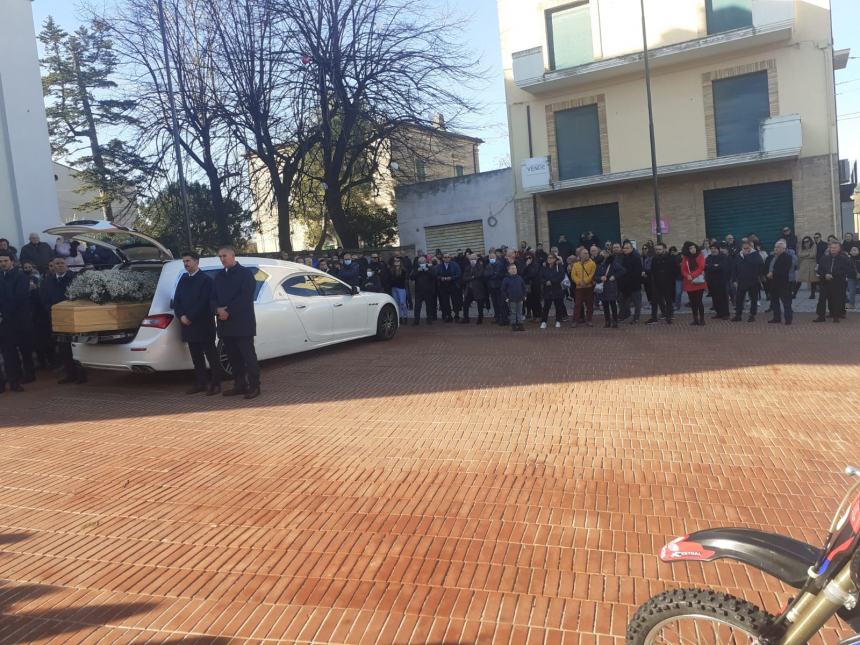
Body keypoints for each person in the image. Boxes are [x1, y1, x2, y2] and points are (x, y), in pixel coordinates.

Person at [213, 246, 260, 400]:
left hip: (242, 323)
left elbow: (246, 297)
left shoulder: (245, 274)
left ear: (233, 256)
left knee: (248, 357)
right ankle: (239, 385)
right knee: (233, 358)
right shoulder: (219, 276)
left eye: (224, 255)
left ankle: (254, 386)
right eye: (220, 256)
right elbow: (212, 297)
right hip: (225, 324)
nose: (222, 259)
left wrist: (228, 311)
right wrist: (217, 309)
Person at [173, 251, 222, 395]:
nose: (186, 264)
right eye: (184, 261)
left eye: (188, 261)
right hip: (187, 324)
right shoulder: (183, 279)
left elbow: (204, 302)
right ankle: (201, 382)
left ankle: (216, 383)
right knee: (196, 356)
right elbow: (177, 300)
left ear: (196, 262)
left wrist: (190, 316)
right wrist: (181, 315)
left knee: (211, 355)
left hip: (203, 324)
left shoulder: (206, 280)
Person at [39, 257, 83, 384]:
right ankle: (70, 374)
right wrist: (52, 310)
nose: (59, 266)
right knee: (63, 347)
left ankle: (81, 374)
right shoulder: (48, 281)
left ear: (67, 265)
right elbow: (44, 298)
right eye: (56, 264)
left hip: (74, 317)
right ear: (52, 266)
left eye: (61, 263)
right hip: (56, 318)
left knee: (76, 346)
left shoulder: (75, 279)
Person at [0, 251, 31, 391]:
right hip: (4, 320)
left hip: (16, 320)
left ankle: (15, 381)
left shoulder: (21, 276)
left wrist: (3, 314)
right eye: (0, 262)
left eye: (5, 261)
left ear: (12, 261)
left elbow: (18, 298)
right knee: (8, 352)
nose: (3, 264)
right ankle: (8, 381)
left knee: (18, 350)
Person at [815, 241, 851, 323]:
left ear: (839, 249)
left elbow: (846, 270)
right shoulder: (824, 258)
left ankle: (836, 316)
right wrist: (825, 275)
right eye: (831, 247)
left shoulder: (844, 258)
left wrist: (833, 275)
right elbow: (819, 269)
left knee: (836, 300)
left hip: (838, 282)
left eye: (835, 248)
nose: (833, 249)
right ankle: (821, 316)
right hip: (825, 281)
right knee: (822, 299)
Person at [732, 240, 764, 322]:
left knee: (753, 299)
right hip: (742, 281)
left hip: (753, 281)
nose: (745, 250)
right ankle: (738, 315)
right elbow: (735, 268)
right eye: (744, 248)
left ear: (751, 247)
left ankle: (752, 315)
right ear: (741, 248)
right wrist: (734, 280)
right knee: (739, 299)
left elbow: (760, 265)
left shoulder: (755, 255)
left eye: (747, 248)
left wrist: (747, 256)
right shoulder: (738, 256)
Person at [763, 240, 794, 325]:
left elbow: (784, 269)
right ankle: (776, 318)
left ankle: (788, 319)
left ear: (783, 248)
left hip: (783, 283)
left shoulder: (787, 257)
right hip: (772, 283)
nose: (775, 249)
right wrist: (766, 274)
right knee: (774, 301)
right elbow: (766, 267)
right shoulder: (771, 257)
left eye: (778, 247)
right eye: (775, 247)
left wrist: (773, 273)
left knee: (786, 302)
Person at [646, 243, 676, 325]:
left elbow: (675, 270)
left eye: (659, 249)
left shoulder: (671, 258)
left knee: (668, 301)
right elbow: (652, 270)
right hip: (656, 283)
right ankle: (654, 317)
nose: (658, 251)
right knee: (654, 301)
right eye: (656, 249)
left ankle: (669, 317)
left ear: (664, 249)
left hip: (667, 283)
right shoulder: (654, 258)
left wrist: (671, 280)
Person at [680, 242, 707, 326]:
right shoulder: (685, 257)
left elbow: (701, 267)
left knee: (699, 301)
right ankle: (695, 319)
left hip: (698, 281)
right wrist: (687, 275)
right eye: (691, 248)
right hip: (689, 282)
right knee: (693, 302)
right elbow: (683, 269)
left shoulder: (700, 255)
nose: (693, 249)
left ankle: (702, 319)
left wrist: (692, 275)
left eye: (694, 247)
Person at [596, 250, 624, 328]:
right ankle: (607, 321)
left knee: (613, 304)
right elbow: (595, 276)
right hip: (603, 287)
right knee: (605, 305)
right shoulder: (598, 264)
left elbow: (622, 271)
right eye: (601, 254)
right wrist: (600, 278)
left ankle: (615, 321)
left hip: (611, 286)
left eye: (603, 254)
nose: (602, 255)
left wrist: (614, 276)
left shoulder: (613, 263)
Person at [618, 241, 643, 324]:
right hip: (624, 285)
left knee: (637, 302)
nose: (625, 249)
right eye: (624, 248)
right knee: (622, 300)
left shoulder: (636, 257)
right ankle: (625, 314)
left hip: (634, 284)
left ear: (631, 248)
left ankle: (636, 318)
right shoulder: (622, 257)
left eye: (627, 248)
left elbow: (637, 272)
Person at [539, 253, 566, 329]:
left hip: (557, 288)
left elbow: (561, 276)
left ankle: (558, 321)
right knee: (546, 307)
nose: (549, 259)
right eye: (548, 258)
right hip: (547, 290)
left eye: (551, 258)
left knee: (558, 306)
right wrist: (545, 282)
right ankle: (544, 321)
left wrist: (552, 281)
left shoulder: (558, 266)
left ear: (555, 259)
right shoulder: (544, 267)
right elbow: (540, 276)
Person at [705, 242, 731, 319]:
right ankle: (719, 313)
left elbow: (722, 267)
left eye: (715, 249)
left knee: (723, 298)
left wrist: (712, 267)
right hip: (711, 281)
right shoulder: (708, 257)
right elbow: (705, 267)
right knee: (715, 298)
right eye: (711, 249)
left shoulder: (723, 257)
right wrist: (714, 266)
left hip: (721, 281)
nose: (713, 250)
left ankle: (726, 314)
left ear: (718, 249)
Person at [571, 248, 596, 327]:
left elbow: (592, 274)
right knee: (578, 304)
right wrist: (578, 282)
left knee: (589, 304)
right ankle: (575, 321)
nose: (587, 254)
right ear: (580, 255)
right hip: (579, 288)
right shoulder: (575, 265)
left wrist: (585, 281)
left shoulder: (592, 264)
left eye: (587, 253)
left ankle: (589, 320)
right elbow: (573, 275)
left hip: (589, 287)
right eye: (584, 253)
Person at [460, 253, 486, 324]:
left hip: (478, 289)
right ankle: (466, 318)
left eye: (474, 259)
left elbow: (480, 274)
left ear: (477, 259)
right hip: (469, 289)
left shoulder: (480, 266)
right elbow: (464, 278)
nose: (472, 260)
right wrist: (472, 277)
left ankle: (480, 319)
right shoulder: (467, 267)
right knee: (465, 304)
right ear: (469, 259)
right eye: (471, 259)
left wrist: (472, 275)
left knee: (480, 305)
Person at [435, 253, 462, 322]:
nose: (446, 258)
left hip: (453, 285)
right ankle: (449, 315)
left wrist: (451, 278)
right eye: (445, 257)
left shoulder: (455, 265)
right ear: (443, 258)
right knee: (445, 302)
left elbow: (459, 274)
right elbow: (436, 275)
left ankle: (457, 315)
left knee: (455, 301)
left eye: (448, 257)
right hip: (443, 286)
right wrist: (441, 278)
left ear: (450, 258)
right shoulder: (439, 266)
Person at [410, 256, 436, 325]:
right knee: (417, 306)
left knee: (429, 306)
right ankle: (416, 320)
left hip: (428, 290)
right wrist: (417, 271)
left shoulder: (430, 267)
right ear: (418, 262)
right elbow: (411, 277)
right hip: (419, 291)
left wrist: (427, 271)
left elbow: (434, 276)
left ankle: (429, 319)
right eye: (420, 262)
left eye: (423, 262)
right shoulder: (416, 268)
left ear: (425, 261)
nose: (422, 263)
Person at [501, 263, 527, 332]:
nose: (514, 270)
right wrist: (506, 297)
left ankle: (520, 324)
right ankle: (513, 325)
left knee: (520, 312)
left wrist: (524, 295)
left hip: (520, 298)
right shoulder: (506, 279)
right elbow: (503, 290)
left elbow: (524, 287)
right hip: (511, 299)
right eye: (512, 269)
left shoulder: (519, 278)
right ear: (508, 270)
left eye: (515, 268)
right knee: (513, 312)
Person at [486, 250, 507, 325]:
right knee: (494, 303)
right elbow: (486, 274)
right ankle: (497, 317)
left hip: (498, 286)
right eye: (490, 257)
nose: (491, 258)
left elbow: (498, 274)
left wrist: (491, 274)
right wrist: (492, 274)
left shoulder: (499, 264)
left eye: (492, 257)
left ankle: (503, 318)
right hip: (491, 287)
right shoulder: (488, 265)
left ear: (495, 257)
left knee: (500, 303)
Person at [389, 257, 409, 323]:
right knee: (397, 303)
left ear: (400, 262)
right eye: (395, 261)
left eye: (398, 261)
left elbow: (402, 280)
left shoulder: (404, 270)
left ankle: (405, 316)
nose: (396, 262)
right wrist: (393, 282)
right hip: (394, 288)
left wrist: (394, 281)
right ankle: (400, 317)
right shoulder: (391, 270)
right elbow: (391, 279)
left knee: (402, 303)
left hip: (401, 288)